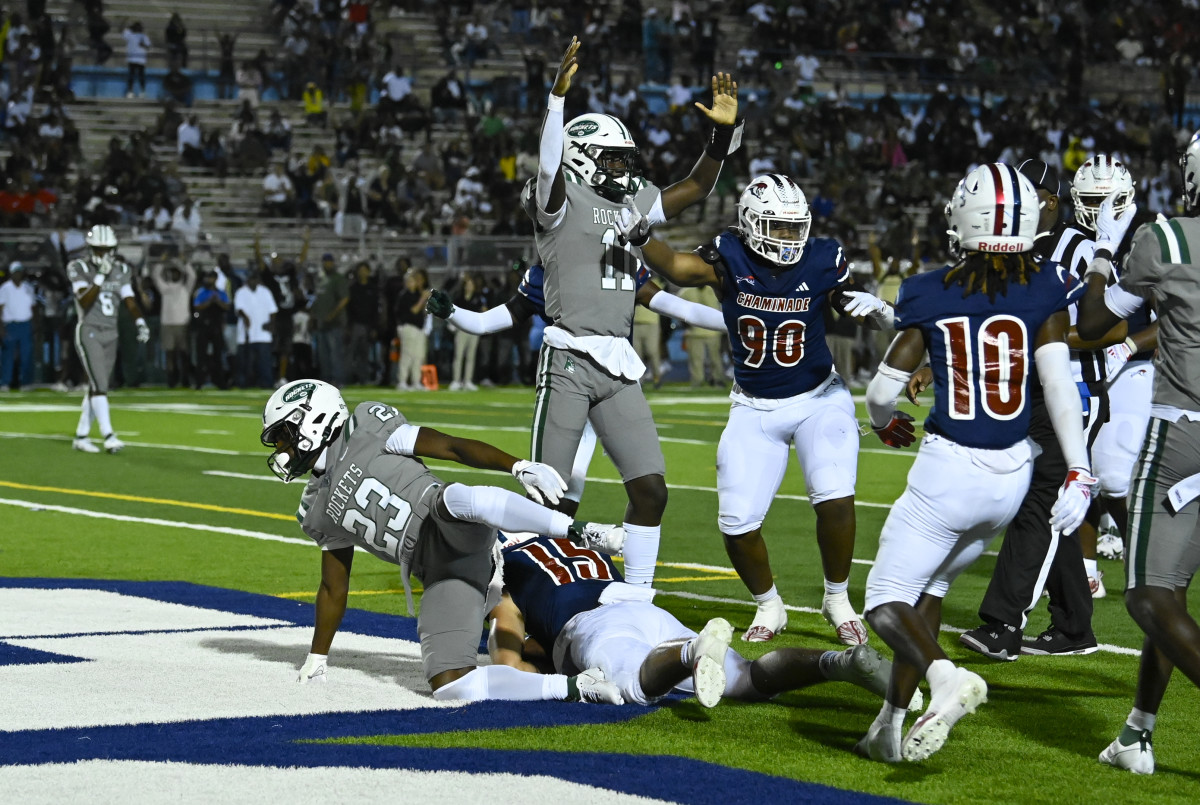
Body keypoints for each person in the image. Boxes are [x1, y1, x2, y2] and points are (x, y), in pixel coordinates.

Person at [857, 164, 1092, 763]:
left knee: (884, 601)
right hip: (1011, 476)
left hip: (950, 471)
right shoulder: (1048, 287)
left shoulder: (927, 290)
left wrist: (885, 423)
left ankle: (943, 677)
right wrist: (1079, 469)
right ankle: (889, 721)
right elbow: (1060, 387)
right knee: (930, 590)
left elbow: (882, 394)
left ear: (967, 218)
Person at [620, 174, 891, 644]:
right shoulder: (730, 251)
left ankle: (838, 598)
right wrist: (644, 237)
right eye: (777, 226)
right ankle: (769, 604)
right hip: (753, 406)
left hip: (818, 398)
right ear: (749, 222)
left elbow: (846, 302)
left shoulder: (824, 255)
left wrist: (877, 309)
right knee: (736, 523)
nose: (788, 237)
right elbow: (681, 269)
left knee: (835, 497)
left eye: (794, 227)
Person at [525, 37, 740, 587]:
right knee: (548, 493)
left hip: (619, 367)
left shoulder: (632, 200)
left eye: (626, 159)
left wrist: (718, 137)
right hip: (570, 359)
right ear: (581, 156)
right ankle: (526, 596)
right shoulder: (558, 200)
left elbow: (695, 187)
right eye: (613, 159)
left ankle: (637, 595)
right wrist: (556, 101)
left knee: (651, 490)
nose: (624, 169)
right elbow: (548, 166)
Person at [263, 379, 623, 703]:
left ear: (313, 419)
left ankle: (582, 531)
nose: (281, 448)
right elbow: (332, 587)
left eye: (283, 435)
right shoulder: (315, 507)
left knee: (456, 498)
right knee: (450, 685)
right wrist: (317, 657)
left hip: (445, 519)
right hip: (437, 569)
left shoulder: (368, 425)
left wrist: (516, 466)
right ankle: (576, 687)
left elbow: (451, 447)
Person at [1076, 130, 1200, 775]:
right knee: (1171, 594)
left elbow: (1094, 326)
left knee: (1150, 599)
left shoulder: (1170, 238)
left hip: (1185, 434)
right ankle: (1136, 733)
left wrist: (1102, 250)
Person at [427, 251, 727, 515]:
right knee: (557, 495)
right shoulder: (546, 273)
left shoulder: (618, 262)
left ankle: (636, 578)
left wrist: (737, 320)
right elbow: (489, 321)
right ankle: (515, 556)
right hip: (568, 383)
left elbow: (677, 306)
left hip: (614, 386)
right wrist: (453, 313)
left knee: (646, 488)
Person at [950, 158, 1105, 661]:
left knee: (1037, 500)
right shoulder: (1016, 249)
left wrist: (1049, 341)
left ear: (1051, 203)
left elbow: (1115, 322)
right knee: (1047, 507)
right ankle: (1074, 625)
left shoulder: (1077, 249)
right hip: (1030, 392)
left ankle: (1004, 623)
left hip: (1072, 392)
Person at [492, 532, 902, 709]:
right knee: (746, 678)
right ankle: (836, 663)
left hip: (592, 624)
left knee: (632, 685)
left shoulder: (505, 571)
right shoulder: (569, 540)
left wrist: (538, 655)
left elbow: (509, 665)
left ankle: (691, 651)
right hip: (644, 610)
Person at [66, 225, 151, 452]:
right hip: (89, 329)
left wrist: (140, 321)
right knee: (101, 385)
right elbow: (84, 301)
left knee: (96, 386)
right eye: (99, 249)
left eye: (106, 249)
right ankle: (109, 435)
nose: (103, 254)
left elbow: (129, 299)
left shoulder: (121, 269)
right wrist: (101, 276)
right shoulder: (79, 267)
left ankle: (81, 436)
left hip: (111, 332)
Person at [149, 261, 196, 388]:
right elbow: (156, 276)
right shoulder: (165, 288)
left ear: (180, 275)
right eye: (172, 273)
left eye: (176, 273)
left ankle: (185, 378)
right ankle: (171, 379)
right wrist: (161, 262)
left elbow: (192, 276)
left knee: (184, 354)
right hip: (167, 324)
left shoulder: (185, 288)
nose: (174, 275)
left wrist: (185, 262)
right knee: (170, 354)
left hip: (182, 324)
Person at [234, 270, 277, 388]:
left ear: (258, 280)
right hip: (246, 334)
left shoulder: (265, 292)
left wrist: (271, 323)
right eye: (251, 279)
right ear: (247, 280)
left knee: (264, 362)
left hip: (263, 334)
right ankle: (244, 383)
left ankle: (266, 383)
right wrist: (245, 317)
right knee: (246, 362)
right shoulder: (241, 292)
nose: (253, 281)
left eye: (255, 279)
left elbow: (273, 310)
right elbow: (239, 309)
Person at [310, 253, 348, 386]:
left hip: (334, 323)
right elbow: (318, 300)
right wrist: (313, 317)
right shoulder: (321, 278)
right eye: (325, 262)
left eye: (329, 262)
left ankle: (338, 379)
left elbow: (344, 299)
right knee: (323, 354)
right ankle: (325, 380)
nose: (327, 264)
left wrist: (332, 314)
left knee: (335, 353)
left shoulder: (338, 278)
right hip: (321, 323)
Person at [0, 261, 35, 391]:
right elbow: (0, 308)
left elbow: (33, 307)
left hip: (25, 324)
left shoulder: (28, 287)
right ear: (11, 273)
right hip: (11, 324)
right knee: (8, 355)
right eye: (16, 272)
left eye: (20, 272)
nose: (18, 275)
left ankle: (26, 382)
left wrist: (34, 326)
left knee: (26, 354)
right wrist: (1, 328)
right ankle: (5, 382)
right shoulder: (5, 288)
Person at [192, 269, 230, 390]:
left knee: (218, 355)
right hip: (203, 326)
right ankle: (199, 382)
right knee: (201, 355)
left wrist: (217, 300)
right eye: (208, 278)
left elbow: (227, 306)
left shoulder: (220, 293)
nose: (209, 280)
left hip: (216, 326)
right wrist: (210, 301)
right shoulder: (201, 292)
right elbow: (197, 306)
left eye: (211, 278)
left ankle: (220, 382)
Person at [394, 267, 431, 391]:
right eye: (410, 281)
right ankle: (402, 381)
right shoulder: (405, 295)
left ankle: (416, 382)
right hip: (408, 327)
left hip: (419, 329)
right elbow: (414, 310)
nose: (413, 283)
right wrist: (422, 299)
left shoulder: (416, 294)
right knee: (407, 355)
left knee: (418, 356)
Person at [122, 21, 150, 98]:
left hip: (140, 59)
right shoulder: (130, 35)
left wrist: (143, 44)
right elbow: (125, 31)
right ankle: (131, 91)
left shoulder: (144, 37)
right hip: (132, 59)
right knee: (132, 76)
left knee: (141, 76)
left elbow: (148, 46)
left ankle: (142, 91)